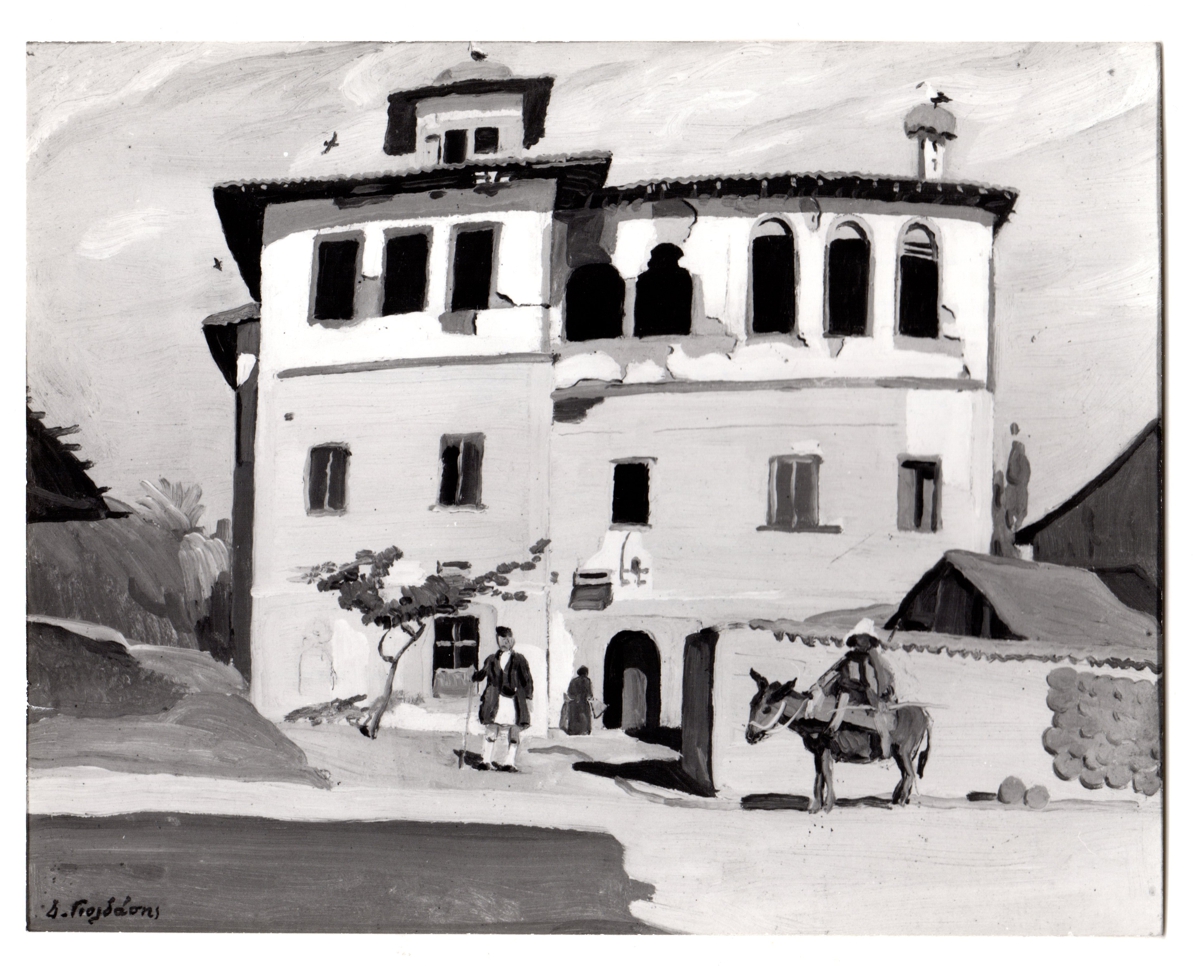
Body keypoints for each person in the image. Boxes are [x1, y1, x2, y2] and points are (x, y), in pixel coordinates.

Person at [809, 619, 897, 753]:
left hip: (868, 696)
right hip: (852, 690)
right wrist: (821, 685)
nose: (861, 642)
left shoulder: (875, 659)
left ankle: (834, 728)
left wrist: (881, 694)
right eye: (859, 638)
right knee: (839, 687)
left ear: (869, 641)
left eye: (864, 638)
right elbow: (835, 671)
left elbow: (880, 681)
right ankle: (822, 715)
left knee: (847, 693)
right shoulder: (849, 657)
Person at [471, 627, 533, 773]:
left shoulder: (520, 659)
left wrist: (528, 697)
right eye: (501, 638)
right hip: (495, 699)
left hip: (514, 701)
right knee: (491, 728)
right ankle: (486, 760)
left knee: (514, 729)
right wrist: (473, 675)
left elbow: (527, 680)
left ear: (513, 640)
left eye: (507, 638)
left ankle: (509, 762)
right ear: (497, 640)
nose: (505, 642)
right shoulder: (491, 659)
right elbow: (481, 675)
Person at [562, 667, 596, 736]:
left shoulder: (573, 681)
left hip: (574, 703)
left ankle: (573, 731)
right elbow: (590, 694)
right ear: (586, 673)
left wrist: (575, 697)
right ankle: (585, 731)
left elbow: (569, 693)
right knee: (585, 716)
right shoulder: (587, 681)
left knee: (574, 717)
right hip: (583, 702)